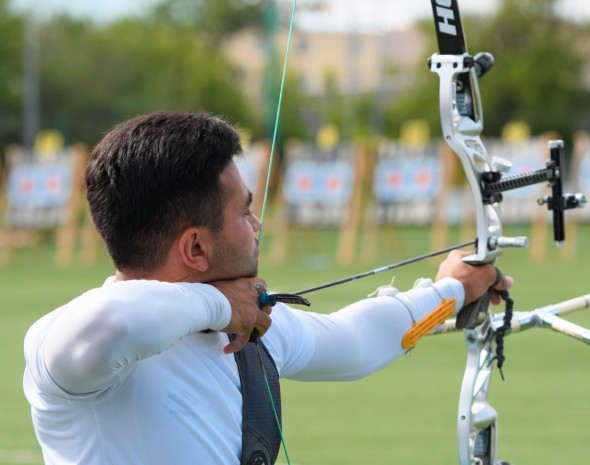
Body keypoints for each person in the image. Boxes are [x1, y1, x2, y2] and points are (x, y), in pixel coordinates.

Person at [23, 111, 513, 465]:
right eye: (244, 211)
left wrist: (451, 290)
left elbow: (356, 341)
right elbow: (111, 324)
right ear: (195, 247)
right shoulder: (66, 352)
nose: (256, 224)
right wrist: (217, 304)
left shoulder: (242, 327)